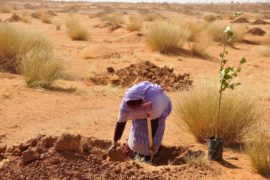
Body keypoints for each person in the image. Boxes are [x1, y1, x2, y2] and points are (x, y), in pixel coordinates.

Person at [108, 81, 172, 161]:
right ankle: (133, 149)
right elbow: (121, 122)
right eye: (131, 105)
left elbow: (154, 124)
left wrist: (151, 142)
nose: (133, 108)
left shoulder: (154, 101)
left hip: (157, 111)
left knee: (151, 141)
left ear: (141, 100)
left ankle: (151, 155)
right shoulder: (125, 104)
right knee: (138, 129)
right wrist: (115, 141)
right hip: (145, 109)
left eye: (135, 105)